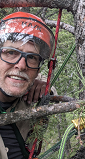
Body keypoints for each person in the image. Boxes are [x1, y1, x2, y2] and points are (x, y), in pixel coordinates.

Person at [0, 12, 55, 159]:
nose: (21, 65)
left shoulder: (28, 100)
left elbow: (48, 86)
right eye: (11, 52)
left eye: (31, 57)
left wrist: (46, 88)